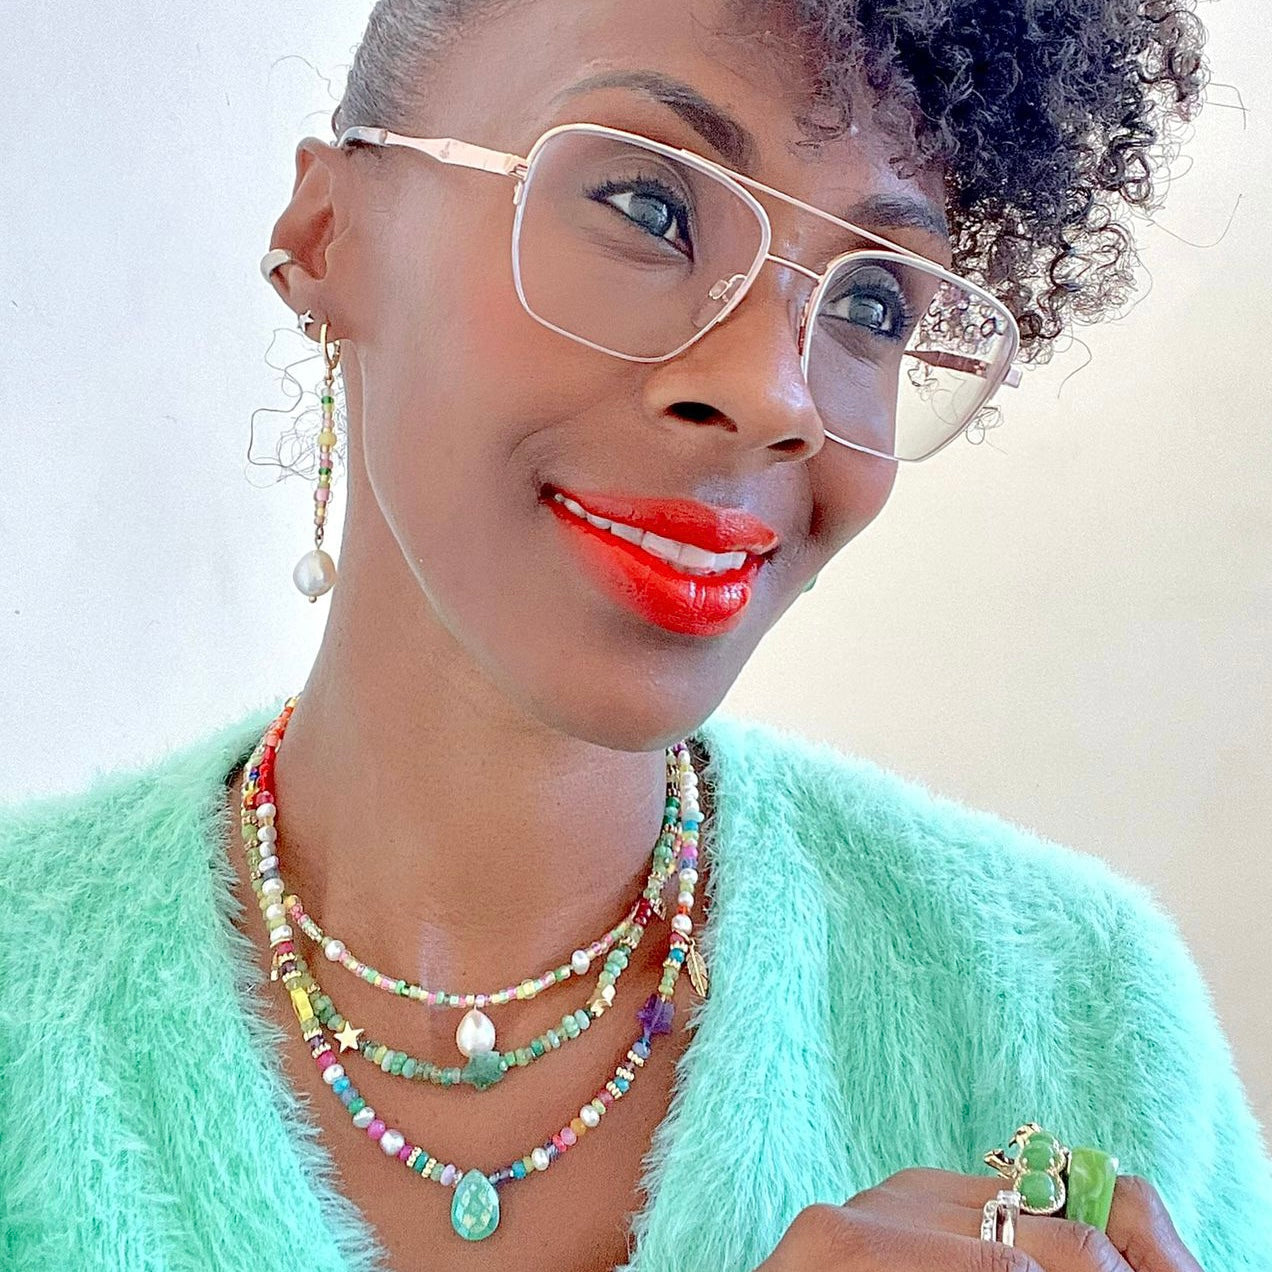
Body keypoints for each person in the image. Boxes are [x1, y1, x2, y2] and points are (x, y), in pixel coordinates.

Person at [1, 0, 1269, 1269]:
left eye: (875, 304)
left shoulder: (1083, 1021)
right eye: (648, 208)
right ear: (332, 235)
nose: (774, 393)